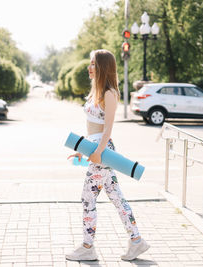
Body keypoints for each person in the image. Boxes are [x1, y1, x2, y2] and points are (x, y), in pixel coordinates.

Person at [65, 49, 149, 261]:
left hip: (102, 151)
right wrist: (81, 150)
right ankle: (136, 241)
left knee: (87, 199)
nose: (89, 67)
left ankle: (87, 246)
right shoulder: (97, 91)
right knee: (116, 197)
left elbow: (107, 129)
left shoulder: (109, 93)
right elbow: (93, 127)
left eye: (93, 64)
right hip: (96, 149)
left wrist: (98, 152)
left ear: (102, 67)